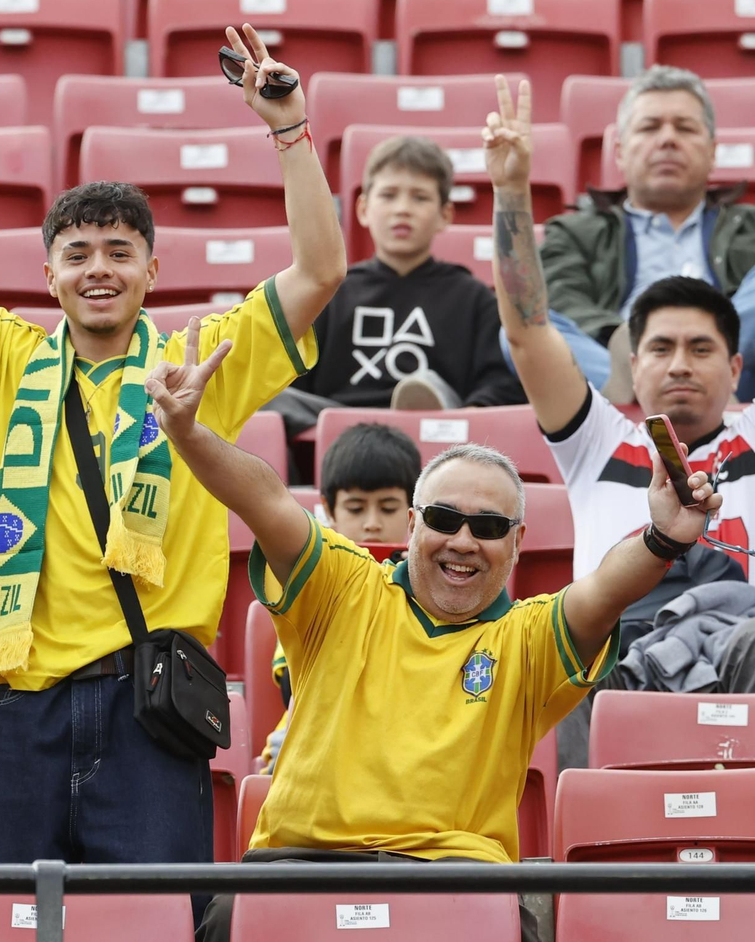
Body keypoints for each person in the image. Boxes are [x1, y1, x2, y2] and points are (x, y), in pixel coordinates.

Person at [0, 0, 344, 897]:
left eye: (120, 252)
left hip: (149, 704)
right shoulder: (5, 360)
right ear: (48, 273)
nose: (98, 269)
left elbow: (320, 272)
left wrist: (290, 131)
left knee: (151, 925)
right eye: (78, 253)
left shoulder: (201, 360)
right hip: (18, 703)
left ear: (152, 272)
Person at [139, 324, 719, 942]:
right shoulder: (342, 586)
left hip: (460, 883)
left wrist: (663, 539)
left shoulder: (528, 638)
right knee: (228, 917)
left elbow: (604, 590)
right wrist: (190, 434)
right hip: (301, 867)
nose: (463, 541)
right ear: (413, 525)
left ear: (518, 543)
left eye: (488, 527)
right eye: (444, 519)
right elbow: (267, 500)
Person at [490, 78, 755, 759]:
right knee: (557, 652)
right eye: (660, 349)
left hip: (742, 643)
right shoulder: (598, 440)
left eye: (701, 350)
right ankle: (577, 829)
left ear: (736, 368)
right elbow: (526, 332)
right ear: (631, 366)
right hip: (614, 655)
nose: (680, 365)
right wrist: (512, 191)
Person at [516, 65, 755, 404]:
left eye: (685, 128)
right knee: (522, 323)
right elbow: (561, 300)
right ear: (620, 152)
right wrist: (632, 341)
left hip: (738, 378)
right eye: (650, 127)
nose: (668, 139)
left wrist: (715, 343)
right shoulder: (574, 233)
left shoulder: (749, 227)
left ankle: (713, 368)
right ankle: (633, 379)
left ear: (713, 151)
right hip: (614, 379)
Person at [271, 136, 523, 433]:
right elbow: (295, 377)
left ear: (445, 215)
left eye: (420, 198)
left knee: (430, 389)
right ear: (363, 209)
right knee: (266, 398)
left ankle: (427, 408)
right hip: (346, 429)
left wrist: (472, 412)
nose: (403, 209)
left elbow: (500, 382)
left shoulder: (473, 298)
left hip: (435, 430)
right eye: (389, 195)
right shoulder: (330, 292)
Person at [258, 424, 422, 773]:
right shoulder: (308, 581)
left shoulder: (428, 585)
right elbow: (292, 687)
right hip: (311, 742)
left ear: (413, 513)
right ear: (328, 510)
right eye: (356, 508)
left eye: (388, 508)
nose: (372, 524)